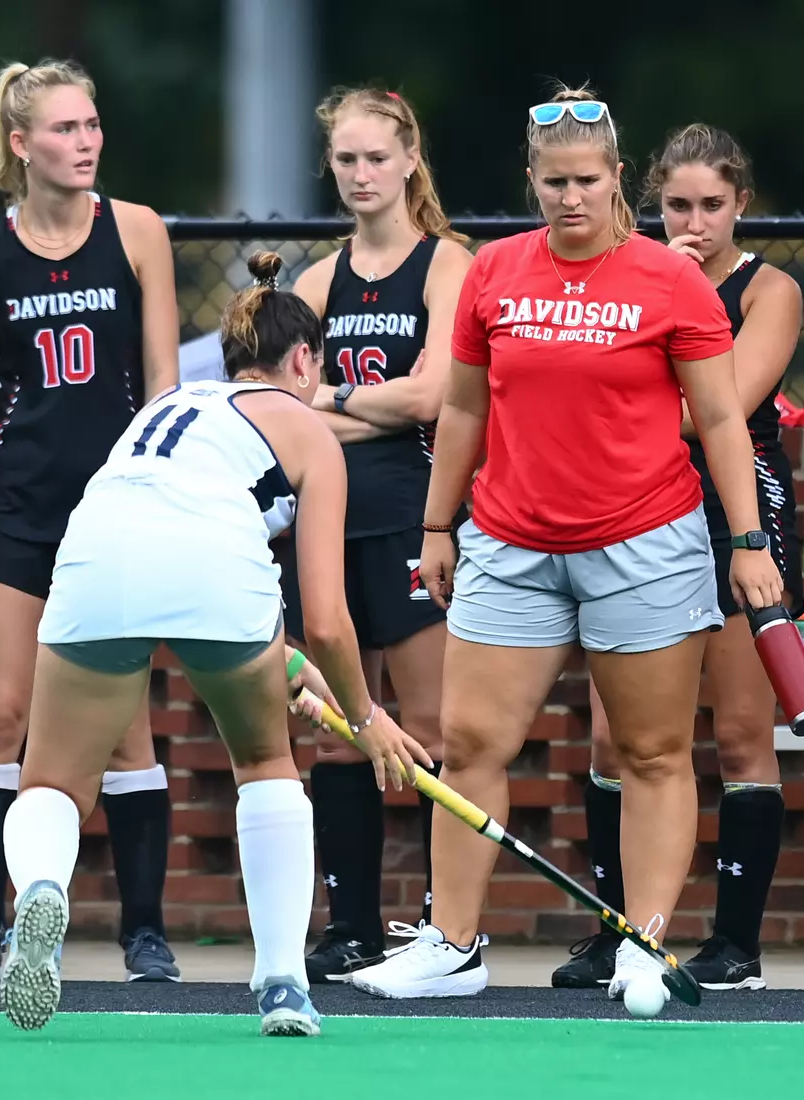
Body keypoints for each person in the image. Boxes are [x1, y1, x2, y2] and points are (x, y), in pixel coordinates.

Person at [345, 84, 784, 1004]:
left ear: (619, 177)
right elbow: (463, 406)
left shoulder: (673, 279)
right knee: (469, 745)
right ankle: (453, 944)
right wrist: (437, 524)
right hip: (510, 540)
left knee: (652, 753)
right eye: (553, 183)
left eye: (587, 180)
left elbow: (719, 418)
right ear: (531, 180)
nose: (570, 198)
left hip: (647, 541)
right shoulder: (495, 271)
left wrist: (747, 540)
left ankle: (645, 946)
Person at [0, 262, 430, 1033]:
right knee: (265, 765)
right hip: (216, 573)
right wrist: (367, 719)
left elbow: (188, 563)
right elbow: (326, 620)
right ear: (304, 362)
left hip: (97, 546)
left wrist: (287, 663)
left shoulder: (172, 403)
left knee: (54, 782)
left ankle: (40, 888)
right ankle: (284, 985)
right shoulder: (310, 431)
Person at [0, 59, 182, 982]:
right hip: (19, 500)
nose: (86, 143)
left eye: (92, 126)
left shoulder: (138, 232)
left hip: (116, 507)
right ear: (22, 144)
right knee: (0, 714)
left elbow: (164, 378)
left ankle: (144, 934)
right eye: (67, 130)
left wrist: (164, 486)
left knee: (123, 727)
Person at [555, 124, 804, 992]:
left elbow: (719, 408)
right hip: (628, 512)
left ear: (742, 205)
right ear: (648, 201)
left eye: (711, 206)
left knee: (740, 733)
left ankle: (736, 944)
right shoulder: (626, 280)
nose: (692, 224)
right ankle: (616, 932)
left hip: (737, 514)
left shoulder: (769, 290)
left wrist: (608, 410)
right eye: (675, 207)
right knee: (613, 738)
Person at [282, 86, 474, 983]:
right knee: (337, 727)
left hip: (414, 512)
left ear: (408, 160)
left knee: (434, 720)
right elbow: (287, 410)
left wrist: (329, 402)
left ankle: (443, 927)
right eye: (346, 160)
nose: (361, 174)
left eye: (375, 158)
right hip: (327, 522)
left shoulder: (447, 265)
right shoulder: (316, 282)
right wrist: (359, 407)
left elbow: (433, 397)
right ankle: (351, 924)